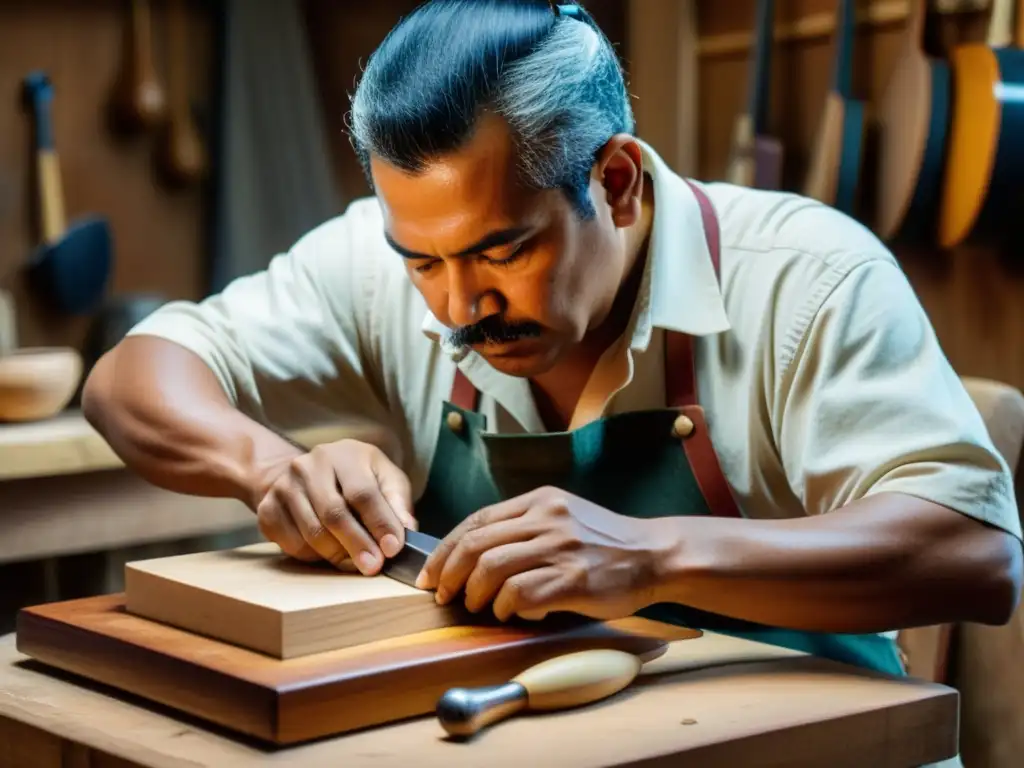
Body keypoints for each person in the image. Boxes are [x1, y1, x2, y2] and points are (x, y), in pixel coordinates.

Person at [83, 0, 1021, 680]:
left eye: (505, 250)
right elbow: (128, 379)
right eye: (422, 261)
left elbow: (978, 557)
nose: (455, 307)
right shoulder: (381, 263)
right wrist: (269, 469)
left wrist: (655, 556)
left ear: (615, 182)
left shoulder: (808, 275)